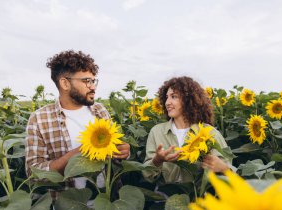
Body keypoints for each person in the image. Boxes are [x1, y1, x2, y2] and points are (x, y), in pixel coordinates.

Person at [25, 50, 130, 187]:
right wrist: (78, 154)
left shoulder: (100, 111)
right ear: (65, 84)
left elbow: (111, 154)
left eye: (93, 81)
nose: (93, 87)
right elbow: (34, 174)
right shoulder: (40, 119)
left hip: (109, 199)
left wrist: (122, 153)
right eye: (86, 81)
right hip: (68, 203)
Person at [143, 76, 233, 184]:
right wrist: (157, 160)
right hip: (166, 197)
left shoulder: (209, 132)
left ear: (188, 100)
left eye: (174, 96)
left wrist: (223, 168)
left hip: (201, 198)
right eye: (166, 97)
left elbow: (232, 177)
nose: (167, 102)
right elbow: (147, 176)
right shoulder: (156, 132)